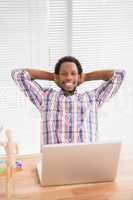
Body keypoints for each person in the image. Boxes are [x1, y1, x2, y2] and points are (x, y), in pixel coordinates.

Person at [11, 56, 125, 145]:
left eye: (73, 74)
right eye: (64, 74)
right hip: (55, 164)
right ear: (57, 76)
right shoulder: (45, 97)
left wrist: (85, 77)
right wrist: (52, 76)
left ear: (79, 76)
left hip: (86, 162)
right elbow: (18, 75)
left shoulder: (92, 98)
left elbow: (118, 76)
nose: (69, 77)